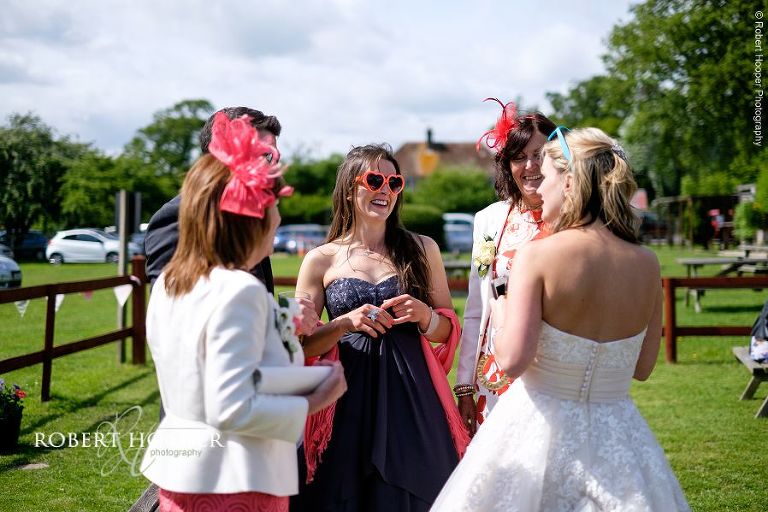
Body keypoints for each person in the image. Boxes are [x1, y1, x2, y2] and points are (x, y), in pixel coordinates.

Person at [431, 127, 690, 511]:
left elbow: (513, 360)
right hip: (618, 433)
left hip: (538, 428)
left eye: (547, 177)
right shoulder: (647, 264)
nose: (539, 187)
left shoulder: (539, 257)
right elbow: (643, 366)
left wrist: (502, 308)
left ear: (569, 183)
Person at [140, 112, 347, 512]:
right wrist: (316, 397)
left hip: (182, 475)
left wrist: (297, 368)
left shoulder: (173, 286)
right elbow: (231, 406)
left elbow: (215, 367)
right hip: (235, 478)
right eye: (272, 206)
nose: (278, 219)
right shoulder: (237, 289)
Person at [289, 144, 469, 512]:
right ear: (348, 189)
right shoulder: (320, 260)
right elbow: (300, 346)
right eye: (374, 180)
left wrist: (424, 316)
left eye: (394, 182)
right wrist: (342, 324)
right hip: (344, 399)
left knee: (416, 487)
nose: (384, 189)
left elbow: (448, 331)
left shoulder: (423, 248)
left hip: (412, 394)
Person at [454, 99, 556, 434]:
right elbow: (475, 309)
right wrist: (466, 384)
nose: (530, 165)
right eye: (519, 156)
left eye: (539, 154)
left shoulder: (575, 220)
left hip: (551, 369)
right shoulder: (489, 220)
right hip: (494, 376)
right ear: (507, 164)